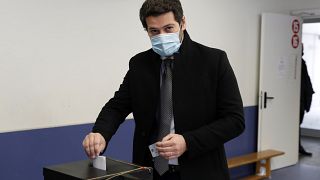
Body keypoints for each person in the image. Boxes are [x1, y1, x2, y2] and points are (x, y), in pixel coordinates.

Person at [82, 0, 245, 179]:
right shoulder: (139, 65)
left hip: (201, 170)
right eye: (154, 31)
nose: (162, 36)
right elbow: (117, 106)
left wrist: (187, 141)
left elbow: (234, 120)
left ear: (183, 23)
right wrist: (100, 133)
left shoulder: (213, 61)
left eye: (168, 28)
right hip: (151, 171)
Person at [299, 45, 314, 156]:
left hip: (301, 101)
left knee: (297, 125)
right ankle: (297, 147)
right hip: (297, 102)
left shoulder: (301, 63)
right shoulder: (299, 63)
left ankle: (298, 147)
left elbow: (306, 84)